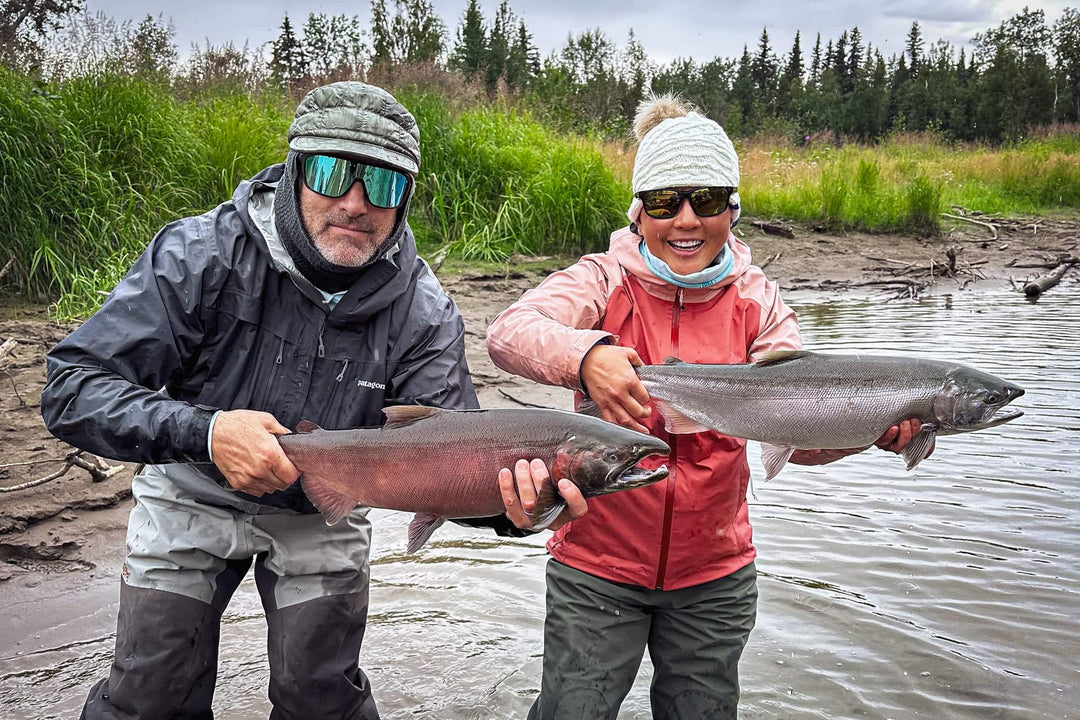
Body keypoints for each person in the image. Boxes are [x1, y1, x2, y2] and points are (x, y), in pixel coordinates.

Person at [40, 81, 584, 720]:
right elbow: (72, 387)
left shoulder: (424, 312)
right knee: (149, 696)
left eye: (382, 184)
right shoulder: (201, 255)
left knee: (320, 697)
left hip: (324, 510)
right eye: (333, 172)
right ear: (297, 170)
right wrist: (207, 433)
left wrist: (513, 510)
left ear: (403, 199)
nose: (355, 203)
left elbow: (452, 459)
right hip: (189, 483)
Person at [486, 94, 928, 720]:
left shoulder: (758, 302)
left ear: (733, 210)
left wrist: (866, 430)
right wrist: (585, 357)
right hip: (595, 566)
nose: (686, 220)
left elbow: (796, 440)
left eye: (708, 200)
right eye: (666, 202)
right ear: (639, 212)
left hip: (715, 576)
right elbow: (509, 331)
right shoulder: (601, 281)